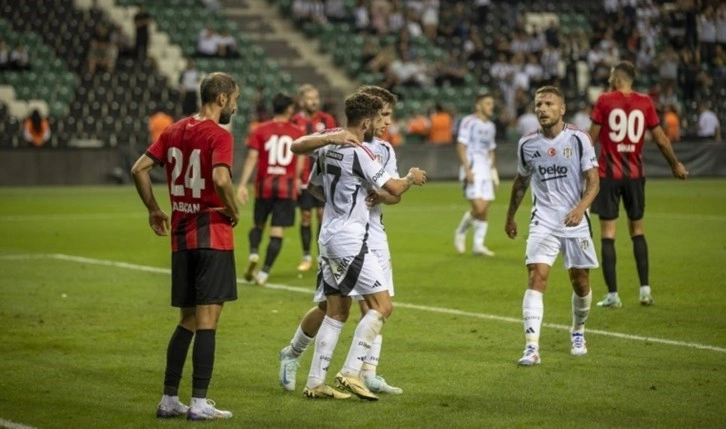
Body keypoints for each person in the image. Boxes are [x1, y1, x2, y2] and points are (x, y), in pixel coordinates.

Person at [290, 92, 427, 400]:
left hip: (328, 235)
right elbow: (393, 188)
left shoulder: (328, 143)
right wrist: (410, 177)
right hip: (349, 239)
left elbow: (300, 156)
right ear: (366, 122)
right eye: (379, 119)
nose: (382, 124)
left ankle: (315, 382)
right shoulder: (361, 152)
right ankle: (352, 371)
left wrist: (340, 202)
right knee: (382, 306)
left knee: (337, 311)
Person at [130, 72, 240, 420]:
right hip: (212, 235)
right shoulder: (219, 135)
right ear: (221, 98)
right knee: (208, 319)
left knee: (188, 319)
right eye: (235, 99)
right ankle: (200, 403)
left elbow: (139, 169)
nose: (236, 106)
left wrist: (154, 209)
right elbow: (221, 178)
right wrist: (233, 209)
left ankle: (168, 399)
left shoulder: (174, 130)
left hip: (181, 238)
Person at [504, 85, 600, 366]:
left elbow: (594, 182)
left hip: (575, 221)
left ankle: (578, 331)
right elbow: (521, 181)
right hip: (543, 220)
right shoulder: (527, 144)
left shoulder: (579, 139)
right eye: (539, 104)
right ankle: (531, 348)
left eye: (548, 104)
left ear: (562, 108)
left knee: (580, 281)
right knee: (536, 277)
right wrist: (510, 216)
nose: (542, 109)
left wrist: (580, 209)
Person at [588, 61, 688, 308]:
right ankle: (645, 291)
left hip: (608, 175)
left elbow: (591, 138)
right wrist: (675, 164)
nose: (609, 80)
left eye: (611, 76)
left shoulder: (604, 101)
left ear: (617, 78)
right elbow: (661, 139)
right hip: (635, 175)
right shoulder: (645, 102)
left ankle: (613, 295)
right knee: (638, 230)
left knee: (608, 234)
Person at [236, 93, 304, 285]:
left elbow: (252, 158)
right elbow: (300, 163)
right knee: (277, 231)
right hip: (285, 188)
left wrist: (242, 184)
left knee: (258, 225)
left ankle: (254, 253)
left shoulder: (260, 130)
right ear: (289, 109)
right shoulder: (297, 132)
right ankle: (264, 272)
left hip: (264, 186)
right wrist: (297, 179)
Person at [289, 84, 337, 273]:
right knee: (306, 217)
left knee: (322, 215)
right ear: (302, 101)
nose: (314, 101)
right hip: (302, 177)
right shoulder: (294, 121)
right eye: (309, 98)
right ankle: (306, 256)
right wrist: (293, 176)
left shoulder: (327, 119)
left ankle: (321, 256)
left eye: (316, 97)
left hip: (323, 176)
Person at [454, 93, 499, 256]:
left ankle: (478, 245)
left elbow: (491, 150)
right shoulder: (469, 122)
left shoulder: (491, 126)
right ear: (478, 105)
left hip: (486, 170)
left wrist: (493, 172)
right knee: (478, 208)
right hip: (473, 169)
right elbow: (461, 146)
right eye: (487, 103)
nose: (491, 107)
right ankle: (461, 231)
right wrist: (467, 169)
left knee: (484, 209)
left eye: (491, 103)